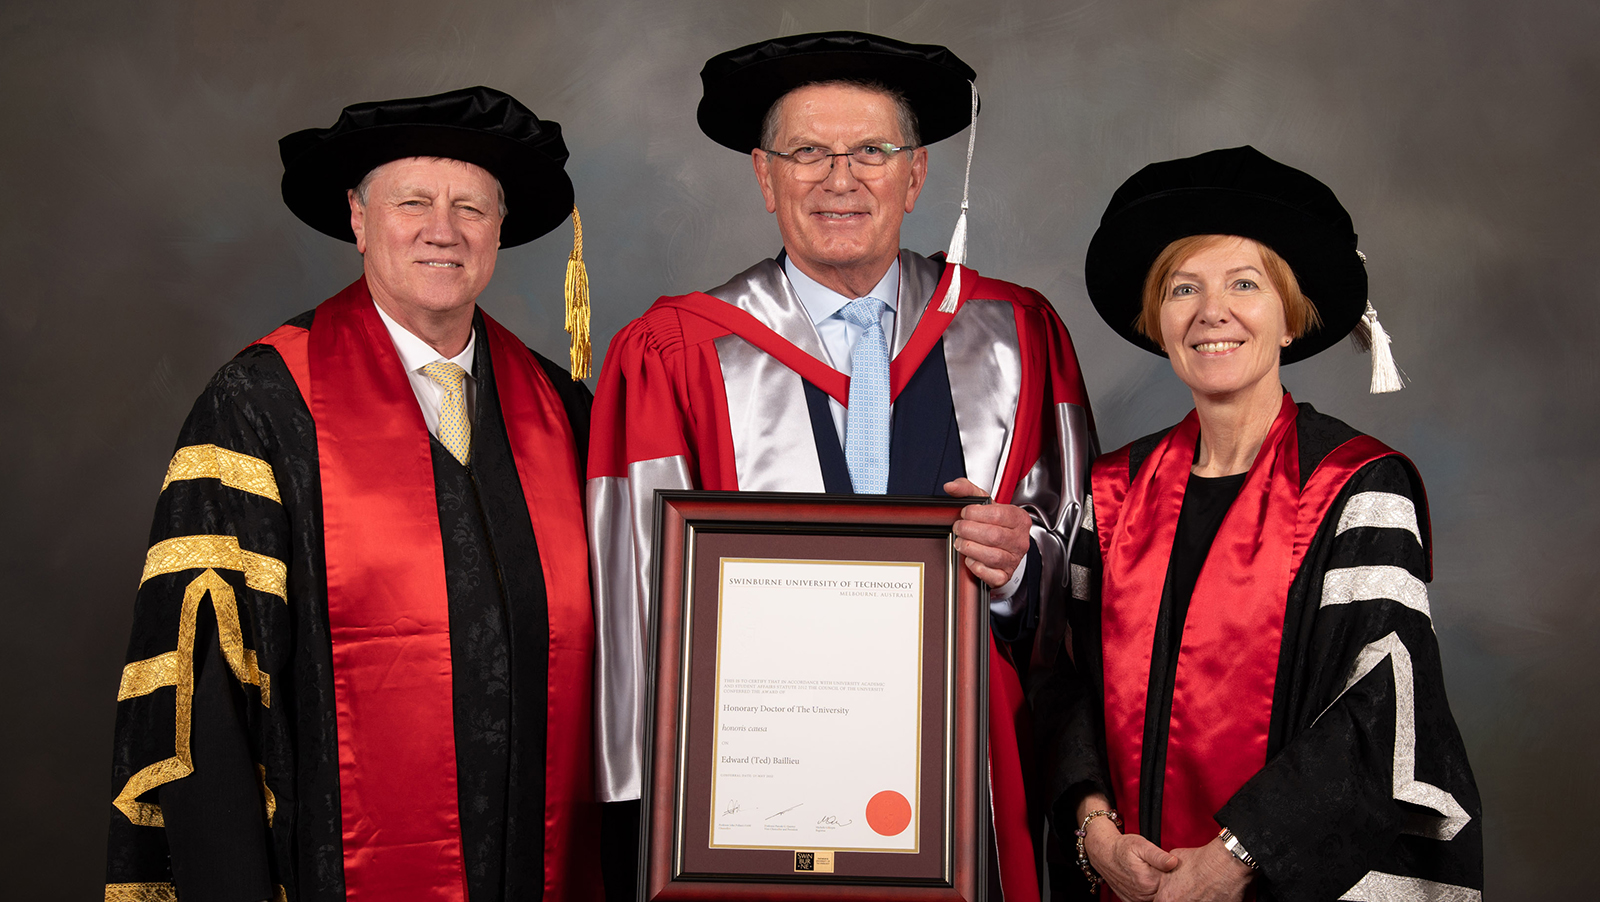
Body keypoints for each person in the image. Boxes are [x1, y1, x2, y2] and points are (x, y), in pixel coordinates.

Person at [588, 31, 1095, 902]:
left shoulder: (1014, 334)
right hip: (752, 793)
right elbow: (635, 617)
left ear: (916, 174)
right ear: (763, 175)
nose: (840, 178)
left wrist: (1019, 570)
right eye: (808, 153)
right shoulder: (675, 351)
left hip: (968, 777)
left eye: (871, 151)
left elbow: (1089, 567)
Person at [104, 86, 604, 902]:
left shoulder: (563, 409)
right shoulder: (264, 405)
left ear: (500, 229)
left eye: (471, 206)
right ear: (358, 219)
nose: (444, 229)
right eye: (413, 201)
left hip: (539, 864)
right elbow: (206, 697)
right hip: (331, 869)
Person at [1031, 146, 1482, 901]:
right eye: (1183, 287)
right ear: (1159, 318)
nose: (1212, 312)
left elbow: (1381, 714)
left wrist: (1236, 856)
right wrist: (1095, 829)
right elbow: (1067, 684)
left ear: (1288, 318)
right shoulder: (1113, 494)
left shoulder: (1359, 488)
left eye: (1245, 284)